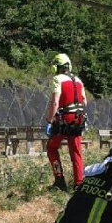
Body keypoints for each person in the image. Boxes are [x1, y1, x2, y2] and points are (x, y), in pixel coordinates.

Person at [45, 53, 88, 192]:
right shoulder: (79, 80)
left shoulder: (57, 79)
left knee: (52, 148)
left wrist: (50, 120)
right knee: (76, 151)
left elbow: (55, 102)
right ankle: (79, 183)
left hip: (64, 120)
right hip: (79, 119)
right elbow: (84, 101)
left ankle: (59, 179)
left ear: (56, 67)